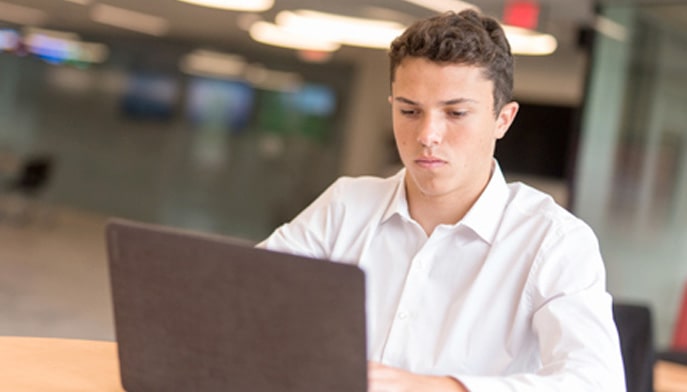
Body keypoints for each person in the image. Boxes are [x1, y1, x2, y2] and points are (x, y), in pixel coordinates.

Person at [259, 8, 626, 392]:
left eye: (456, 113)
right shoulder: (347, 205)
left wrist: (434, 388)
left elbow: (597, 382)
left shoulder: (553, 240)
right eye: (409, 111)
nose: (428, 134)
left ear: (503, 119)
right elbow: (241, 297)